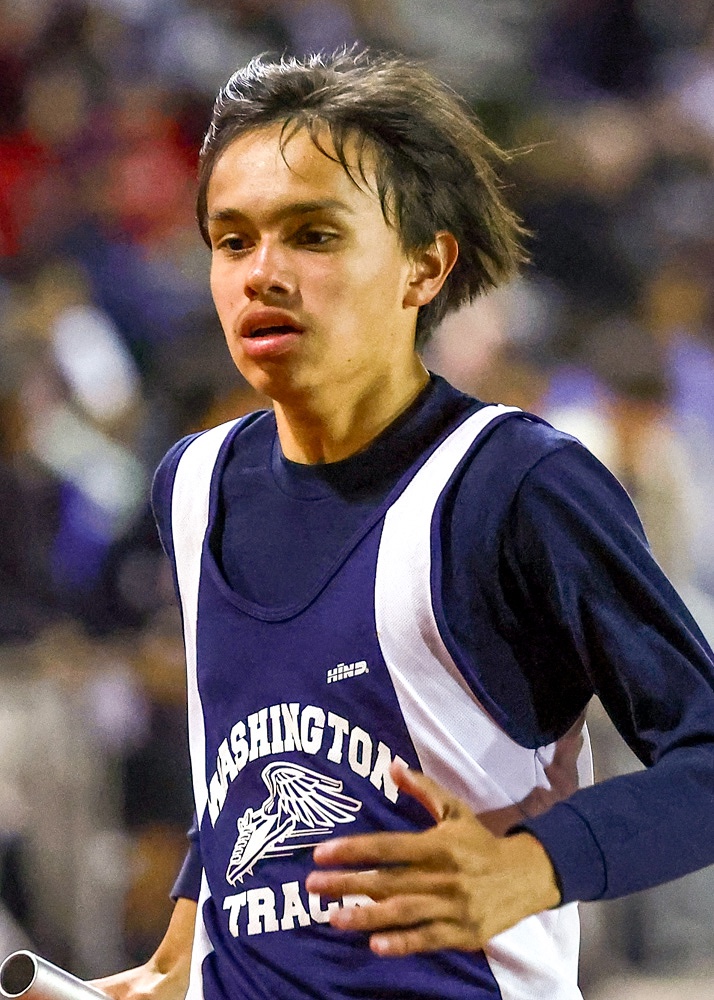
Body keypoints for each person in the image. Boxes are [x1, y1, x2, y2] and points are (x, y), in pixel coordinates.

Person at [95, 50, 714, 1000]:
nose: (263, 274)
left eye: (313, 235)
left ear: (425, 265)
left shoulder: (514, 484)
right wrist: (183, 948)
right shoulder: (193, 484)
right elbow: (246, 759)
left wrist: (532, 865)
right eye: (232, 240)